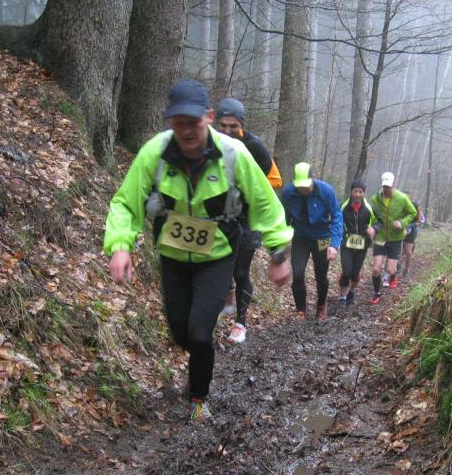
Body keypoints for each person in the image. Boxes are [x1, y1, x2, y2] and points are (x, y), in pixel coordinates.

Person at [104, 80, 292, 421]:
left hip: (217, 257)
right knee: (181, 331)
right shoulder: (155, 153)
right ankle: (199, 361)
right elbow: (125, 203)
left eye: (193, 122)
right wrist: (120, 246)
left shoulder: (233, 155)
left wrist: (278, 253)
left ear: (208, 117)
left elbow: (266, 204)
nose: (187, 131)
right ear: (170, 122)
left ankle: (198, 398)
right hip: (172, 257)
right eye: (179, 123)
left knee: (200, 332)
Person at [214, 97, 283, 345]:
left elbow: (275, 180)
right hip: (217, 215)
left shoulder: (254, 146)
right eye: (223, 125)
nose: (228, 131)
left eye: (233, 126)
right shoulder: (209, 142)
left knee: (241, 271)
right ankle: (221, 300)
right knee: (215, 267)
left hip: (246, 219)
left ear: (242, 125)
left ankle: (240, 323)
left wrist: (250, 191)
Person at [281, 162, 343, 320]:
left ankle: (321, 306)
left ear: (313, 178)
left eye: (306, 185)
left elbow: (336, 215)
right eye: (299, 186)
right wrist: (281, 239)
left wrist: (334, 244)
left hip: (322, 237)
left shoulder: (326, 191)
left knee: (321, 275)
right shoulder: (288, 193)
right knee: (298, 273)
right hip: (300, 237)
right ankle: (300, 310)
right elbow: (284, 216)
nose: (303, 189)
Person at [369, 172, 416, 304]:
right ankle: (377, 293)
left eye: (389, 187)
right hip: (380, 237)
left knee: (390, 269)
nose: (386, 189)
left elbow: (412, 213)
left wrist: (402, 222)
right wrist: (372, 227)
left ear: (394, 184)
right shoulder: (374, 199)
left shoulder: (402, 198)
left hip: (395, 238)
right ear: (382, 185)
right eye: (384, 186)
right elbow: (370, 215)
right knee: (376, 269)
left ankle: (393, 275)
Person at [338, 178, 376, 306]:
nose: (358, 194)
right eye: (355, 191)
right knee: (346, 271)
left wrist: (374, 229)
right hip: (346, 244)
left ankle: (352, 291)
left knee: (354, 274)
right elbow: (337, 221)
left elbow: (378, 221)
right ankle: (342, 296)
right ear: (351, 192)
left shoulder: (369, 208)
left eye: (360, 192)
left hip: (362, 245)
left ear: (364, 193)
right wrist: (341, 236)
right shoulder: (344, 206)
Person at [400, 197, 425, 277]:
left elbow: (421, 221)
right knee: (400, 250)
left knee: (408, 251)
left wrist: (410, 225)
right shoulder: (400, 206)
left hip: (412, 230)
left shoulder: (416, 206)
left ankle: (406, 268)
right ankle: (398, 265)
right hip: (401, 230)